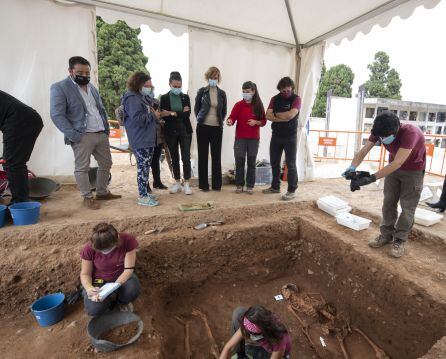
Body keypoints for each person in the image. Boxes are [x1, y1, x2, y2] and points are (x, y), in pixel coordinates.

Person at [344, 111, 426, 258]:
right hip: (393, 168)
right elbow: (363, 151)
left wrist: (371, 178)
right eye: (379, 137)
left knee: (407, 207)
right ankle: (386, 235)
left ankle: (400, 239)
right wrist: (352, 168)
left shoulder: (410, 133)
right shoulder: (381, 130)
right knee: (388, 201)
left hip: (413, 171)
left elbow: (399, 162)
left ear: (395, 130)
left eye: (384, 137)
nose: (382, 139)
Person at [50, 56, 121, 210]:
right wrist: (74, 135)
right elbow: (57, 115)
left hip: (100, 133)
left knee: (106, 163)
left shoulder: (92, 88)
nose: (85, 75)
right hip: (82, 135)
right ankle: (87, 197)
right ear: (70, 71)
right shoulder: (60, 87)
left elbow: (99, 109)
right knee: (83, 167)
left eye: (87, 73)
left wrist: (106, 130)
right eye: (80, 72)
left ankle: (102, 192)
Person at [80, 222, 140, 316]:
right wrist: (89, 288)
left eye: (108, 249)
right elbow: (85, 274)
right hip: (99, 280)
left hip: (122, 276)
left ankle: (120, 303)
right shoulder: (88, 249)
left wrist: (114, 286)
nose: (105, 252)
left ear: (117, 241)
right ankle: (105, 307)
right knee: (94, 309)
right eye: (101, 250)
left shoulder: (127, 240)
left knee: (132, 290)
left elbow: (128, 269)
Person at [122, 71, 160, 206]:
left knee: (145, 167)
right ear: (138, 84)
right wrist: (153, 115)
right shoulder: (131, 98)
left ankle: (144, 192)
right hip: (140, 138)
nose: (149, 88)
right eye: (147, 85)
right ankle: (142, 196)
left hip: (147, 138)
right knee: (142, 168)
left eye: (151, 86)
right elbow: (138, 119)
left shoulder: (141, 97)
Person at [0, 91, 43, 204]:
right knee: (12, 162)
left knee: (12, 163)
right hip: (24, 118)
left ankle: (20, 205)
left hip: (21, 120)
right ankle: (21, 201)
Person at [263, 77, 301, 201]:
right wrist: (283, 117)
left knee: (290, 164)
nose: (286, 90)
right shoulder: (274, 99)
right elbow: (267, 115)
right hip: (276, 135)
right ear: (279, 88)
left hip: (290, 136)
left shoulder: (296, 99)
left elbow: (291, 115)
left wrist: (277, 114)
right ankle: (275, 186)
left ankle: (291, 190)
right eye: (283, 88)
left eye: (288, 87)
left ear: (292, 87)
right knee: (274, 162)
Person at [227, 81, 266, 194]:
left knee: (251, 162)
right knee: (239, 161)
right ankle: (239, 185)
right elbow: (232, 117)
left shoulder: (258, 105)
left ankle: (250, 186)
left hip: (254, 139)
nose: (245, 94)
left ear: (253, 92)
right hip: (240, 138)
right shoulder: (238, 105)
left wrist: (256, 122)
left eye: (247, 92)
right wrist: (229, 121)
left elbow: (263, 121)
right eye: (243, 92)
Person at [160, 71, 193, 195]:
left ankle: (187, 184)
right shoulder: (164, 98)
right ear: (170, 84)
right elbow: (164, 115)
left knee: (186, 158)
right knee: (174, 158)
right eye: (175, 86)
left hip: (185, 131)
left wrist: (171, 112)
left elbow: (187, 114)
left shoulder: (185, 97)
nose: (177, 88)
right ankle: (177, 182)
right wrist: (177, 113)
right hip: (170, 132)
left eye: (179, 86)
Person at [195, 66, 227, 191]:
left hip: (217, 128)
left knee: (216, 156)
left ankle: (216, 185)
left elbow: (224, 111)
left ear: (218, 78)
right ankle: (203, 185)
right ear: (207, 78)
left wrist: (219, 121)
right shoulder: (201, 92)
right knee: (202, 156)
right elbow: (197, 109)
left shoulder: (222, 93)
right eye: (211, 77)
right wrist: (202, 119)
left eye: (216, 77)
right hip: (203, 127)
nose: (214, 79)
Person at [220, 306, 291, 359]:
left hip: (273, 353)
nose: (246, 333)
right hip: (263, 343)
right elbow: (228, 347)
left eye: (252, 333)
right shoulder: (250, 322)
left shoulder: (278, 339)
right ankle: (241, 356)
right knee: (238, 312)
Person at [140, 82, 168, 193]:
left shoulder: (156, 101)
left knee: (156, 160)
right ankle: (145, 185)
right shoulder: (140, 101)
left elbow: (159, 115)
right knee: (145, 162)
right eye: (146, 87)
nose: (149, 89)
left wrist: (161, 116)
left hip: (157, 135)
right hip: (146, 135)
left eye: (151, 87)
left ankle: (157, 182)